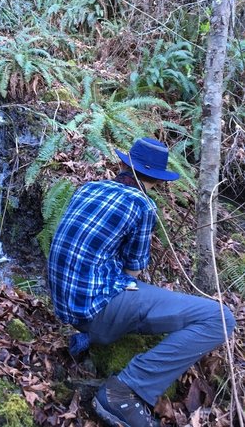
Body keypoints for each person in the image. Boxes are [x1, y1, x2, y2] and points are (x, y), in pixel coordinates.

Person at [48, 137, 235, 427]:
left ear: (123, 163)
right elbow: (133, 272)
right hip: (95, 311)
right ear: (158, 181)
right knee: (220, 318)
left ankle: (89, 337)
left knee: (129, 290)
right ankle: (127, 389)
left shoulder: (88, 188)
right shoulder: (142, 204)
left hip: (65, 306)